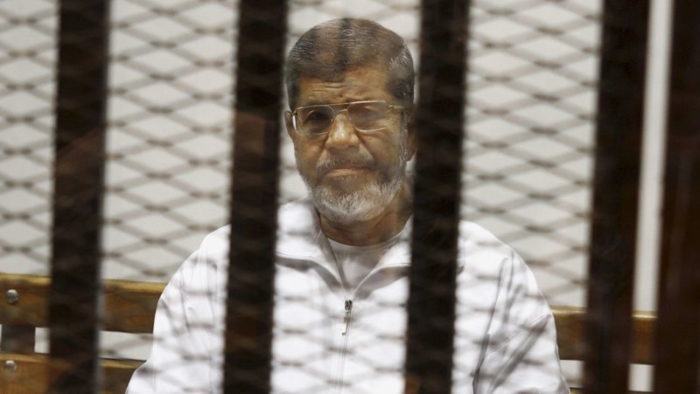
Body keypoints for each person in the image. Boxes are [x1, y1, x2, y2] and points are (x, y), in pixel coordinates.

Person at [126, 18, 569, 393]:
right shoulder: (223, 266)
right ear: (292, 133)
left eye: (366, 112)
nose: (339, 139)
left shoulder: (489, 277)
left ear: (411, 130)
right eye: (316, 118)